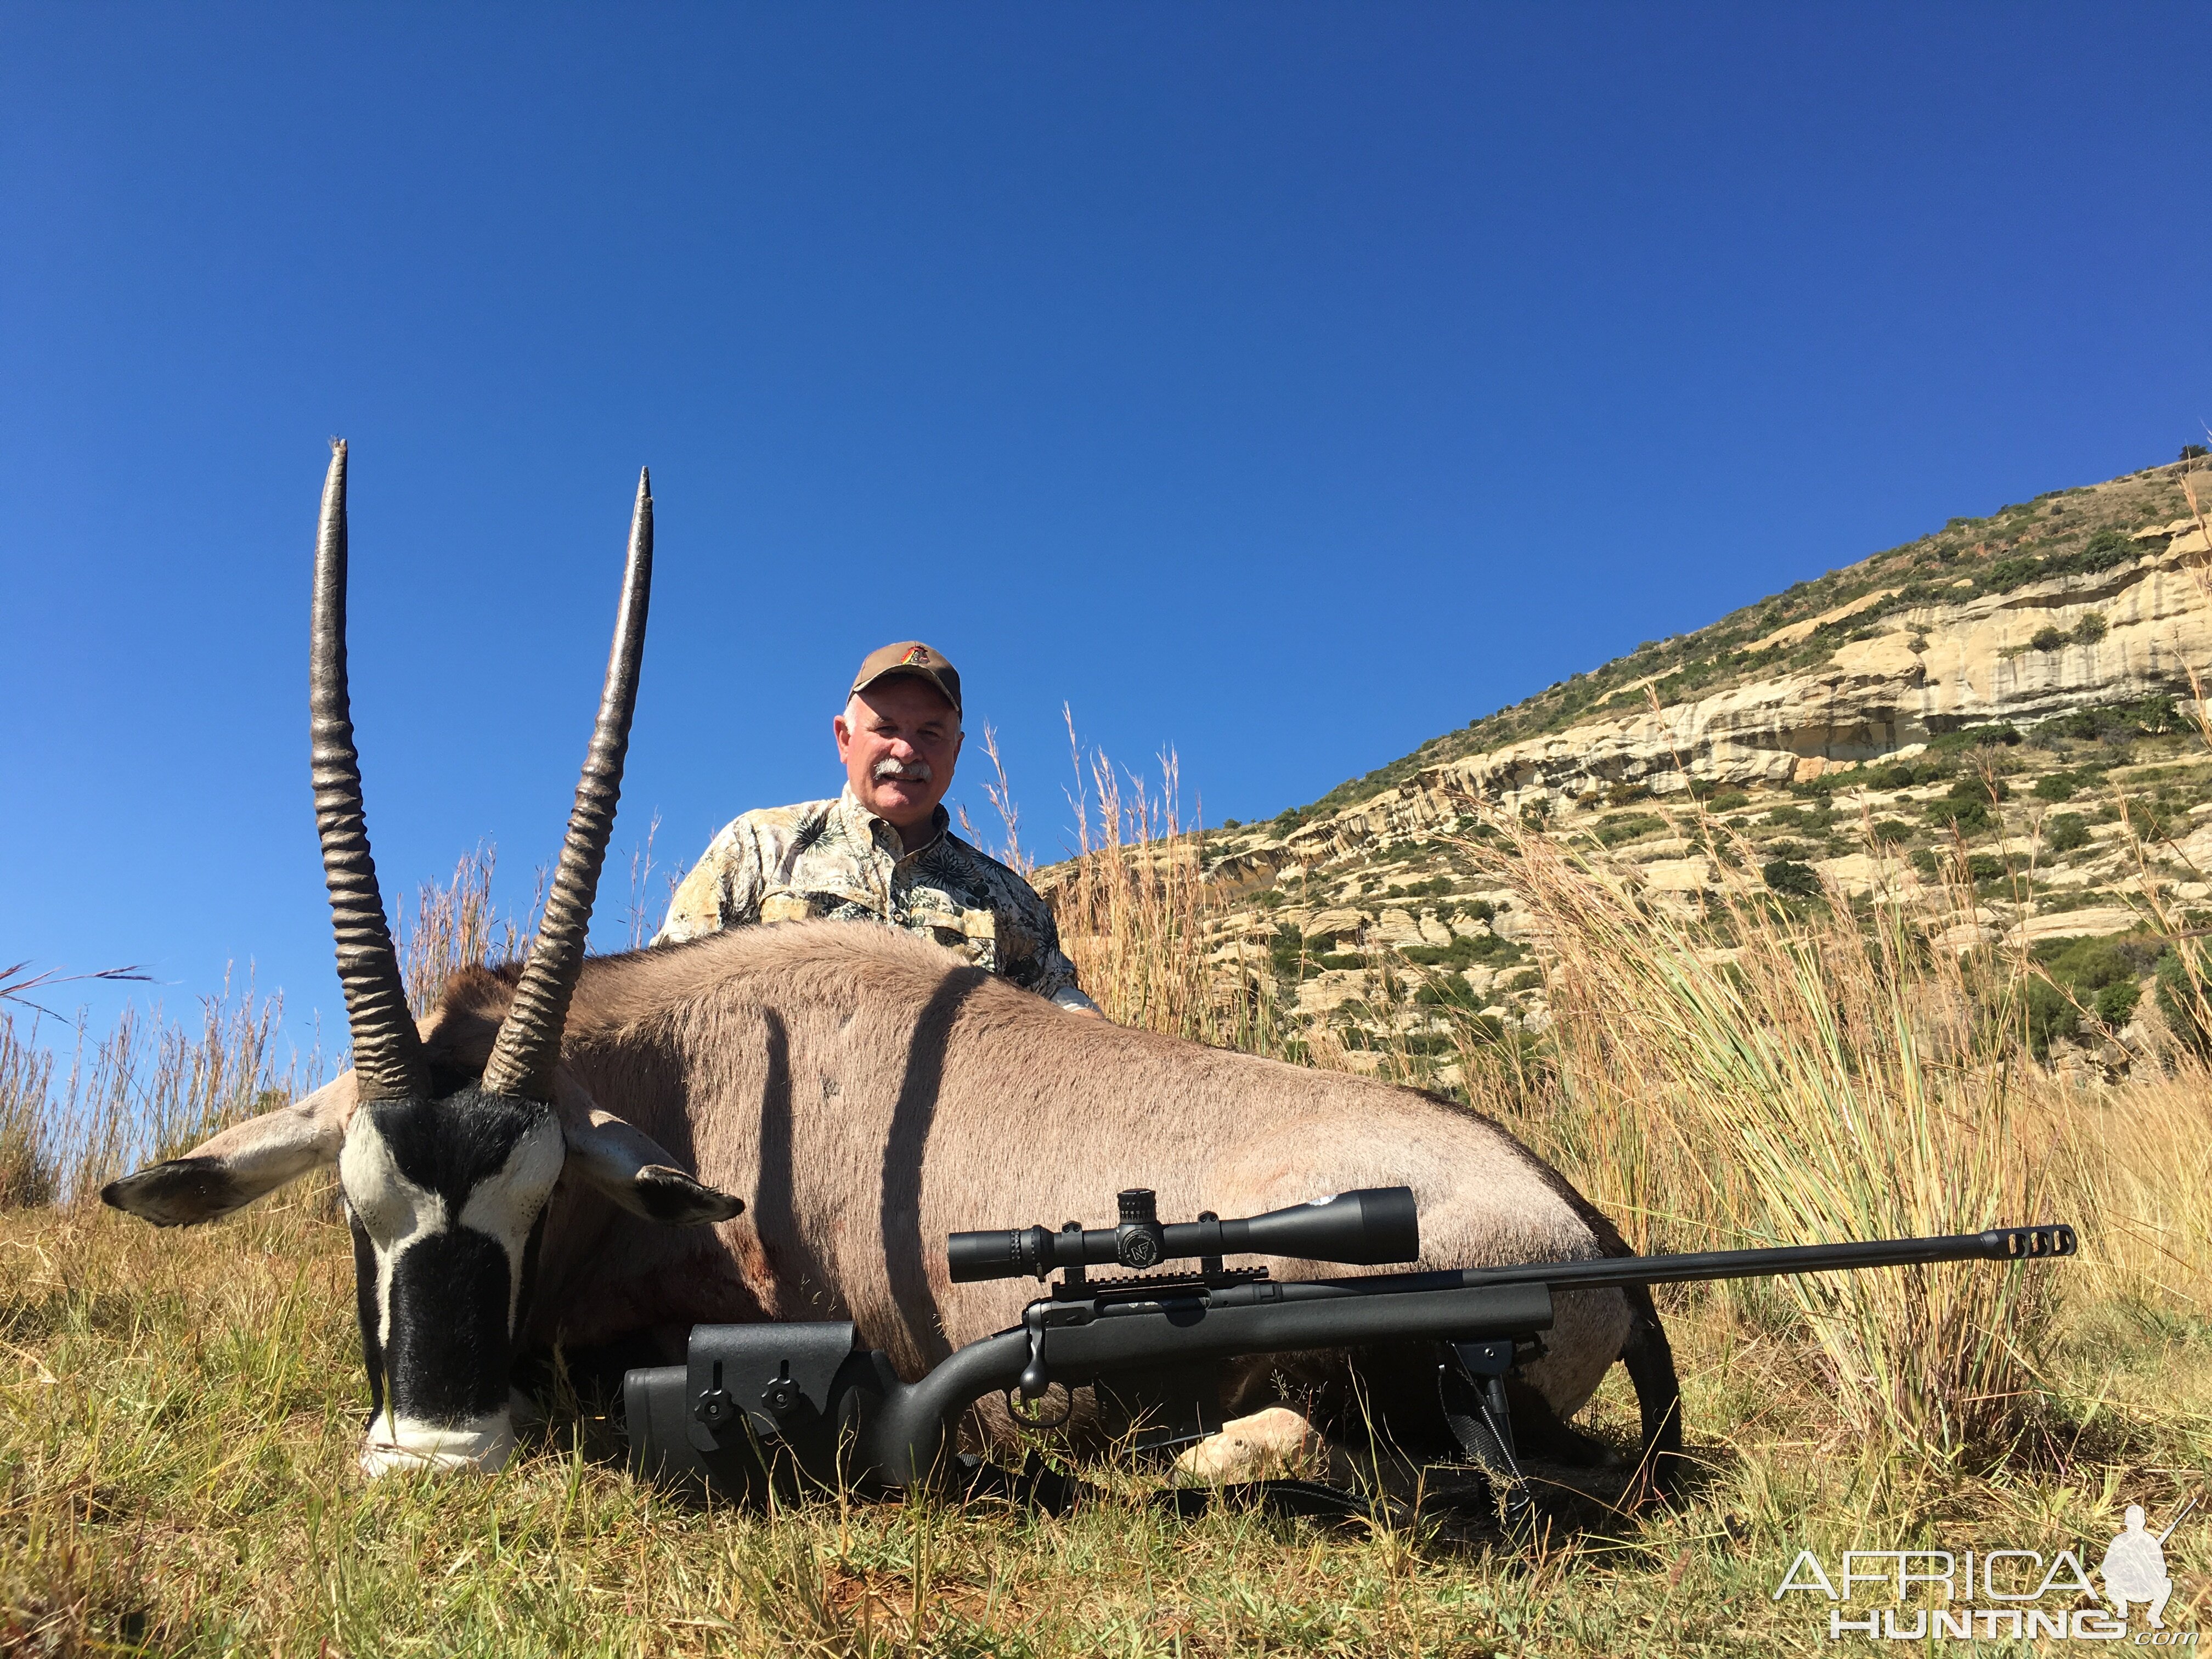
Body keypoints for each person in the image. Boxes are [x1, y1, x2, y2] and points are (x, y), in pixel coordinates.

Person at [654, 641, 1101, 1014]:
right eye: (886, 727)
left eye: (930, 732)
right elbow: (665, 988)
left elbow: (1065, 1022)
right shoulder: (757, 846)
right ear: (845, 739)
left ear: (957, 751)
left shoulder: (1010, 899)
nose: (906, 750)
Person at [2100, 1504, 2174, 1628]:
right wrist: (2124, 1570)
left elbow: (2162, 1569)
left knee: (2167, 1584)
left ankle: (2154, 1615)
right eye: (2131, 1522)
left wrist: (2147, 1569)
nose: (2134, 1526)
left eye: (2137, 1522)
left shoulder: (2150, 1541)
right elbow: (2106, 1568)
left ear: (2144, 1522)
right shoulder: (2119, 1541)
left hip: (2146, 1588)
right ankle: (2122, 1609)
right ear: (2126, 1522)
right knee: (2109, 1583)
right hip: (2124, 1586)